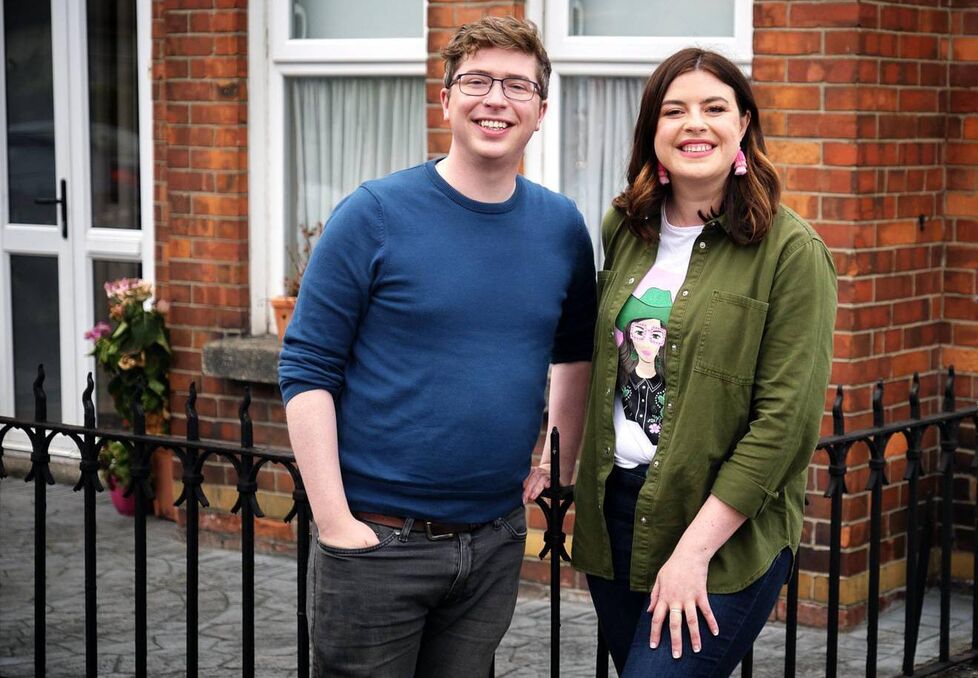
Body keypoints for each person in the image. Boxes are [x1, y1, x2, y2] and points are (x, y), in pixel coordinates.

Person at [278, 16, 595, 678]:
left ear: (541, 108)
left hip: (495, 541)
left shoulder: (560, 226)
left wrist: (557, 463)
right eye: (476, 80)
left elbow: (575, 352)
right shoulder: (373, 215)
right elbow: (306, 369)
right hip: (378, 540)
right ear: (445, 97)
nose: (496, 99)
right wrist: (336, 523)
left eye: (517, 85)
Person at [570, 47, 837, 677]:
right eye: (674, 110)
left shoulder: (793, 253)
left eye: (714, 107)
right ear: (652, 132)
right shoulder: (623, 226)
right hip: (618, 516)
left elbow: (785, 426)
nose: (695, 124)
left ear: (743, 124)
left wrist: (692, 553)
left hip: (720, 530)